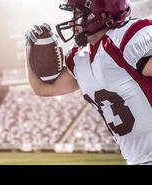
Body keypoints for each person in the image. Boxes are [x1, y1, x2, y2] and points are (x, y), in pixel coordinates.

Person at [24, 0, 152, 165]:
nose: (72, 21)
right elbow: (43, 88)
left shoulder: (126, 38)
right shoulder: (80, 56)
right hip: (137, 159)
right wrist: (28, 49)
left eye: (77, 14)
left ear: (102, 15)